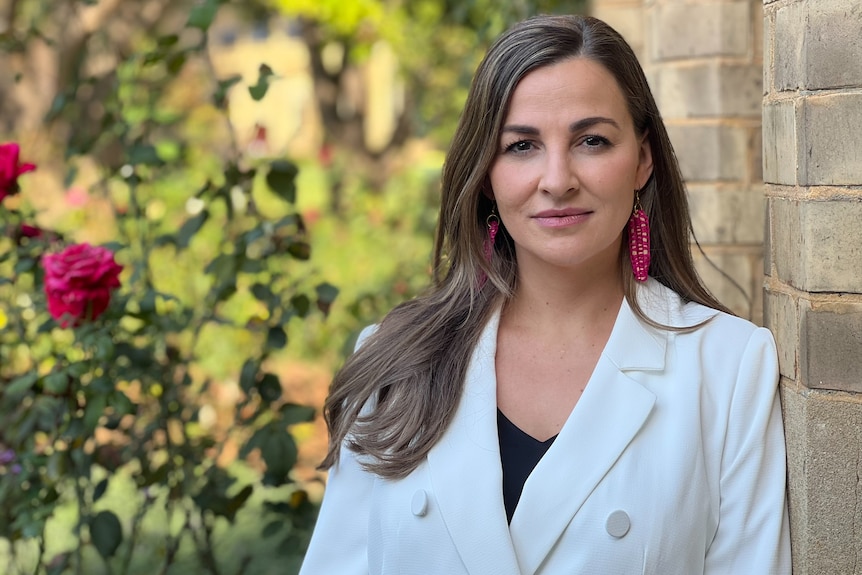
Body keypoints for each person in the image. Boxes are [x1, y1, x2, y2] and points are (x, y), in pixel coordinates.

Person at [299, 14, 791, 575]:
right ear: (486, 173)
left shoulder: (728, 367)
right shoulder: (395, 359)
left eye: (592, 140)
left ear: (643, 159)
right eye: (522, 145)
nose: (557, 179)